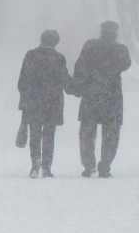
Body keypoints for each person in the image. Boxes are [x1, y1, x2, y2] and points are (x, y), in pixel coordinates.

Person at [71, 20, 132, 178]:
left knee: (87, 133)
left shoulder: (90, 46)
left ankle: (88, 165)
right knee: (111, 133)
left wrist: (78, 86)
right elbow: (126, 65)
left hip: (91, 95)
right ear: (116, 33)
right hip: (112, 97)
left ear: (101, 31)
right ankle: (105, 166)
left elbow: (80, 67)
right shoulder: (121, 50)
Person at [17, 29, 71, 178]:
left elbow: (22, 82)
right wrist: (78, 87)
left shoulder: (31, 55)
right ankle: (47, 167)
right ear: (56, 42)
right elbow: (64, 80)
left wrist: (25, 102)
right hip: (52, 103)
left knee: (35, 134)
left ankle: (35, 162)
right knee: (49, 135)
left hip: (34, 103)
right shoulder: (58, 58)